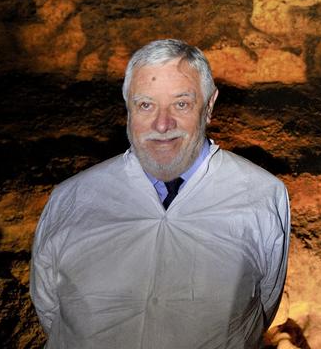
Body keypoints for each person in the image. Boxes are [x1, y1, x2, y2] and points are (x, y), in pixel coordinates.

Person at [30, 39, 290, 349]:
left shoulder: (262, 195)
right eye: (146, 105)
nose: (162, 124)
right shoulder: (72, 198)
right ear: (128, 107)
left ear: (209, 107)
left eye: (181, 104)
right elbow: (49, 308)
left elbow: (261, 308)